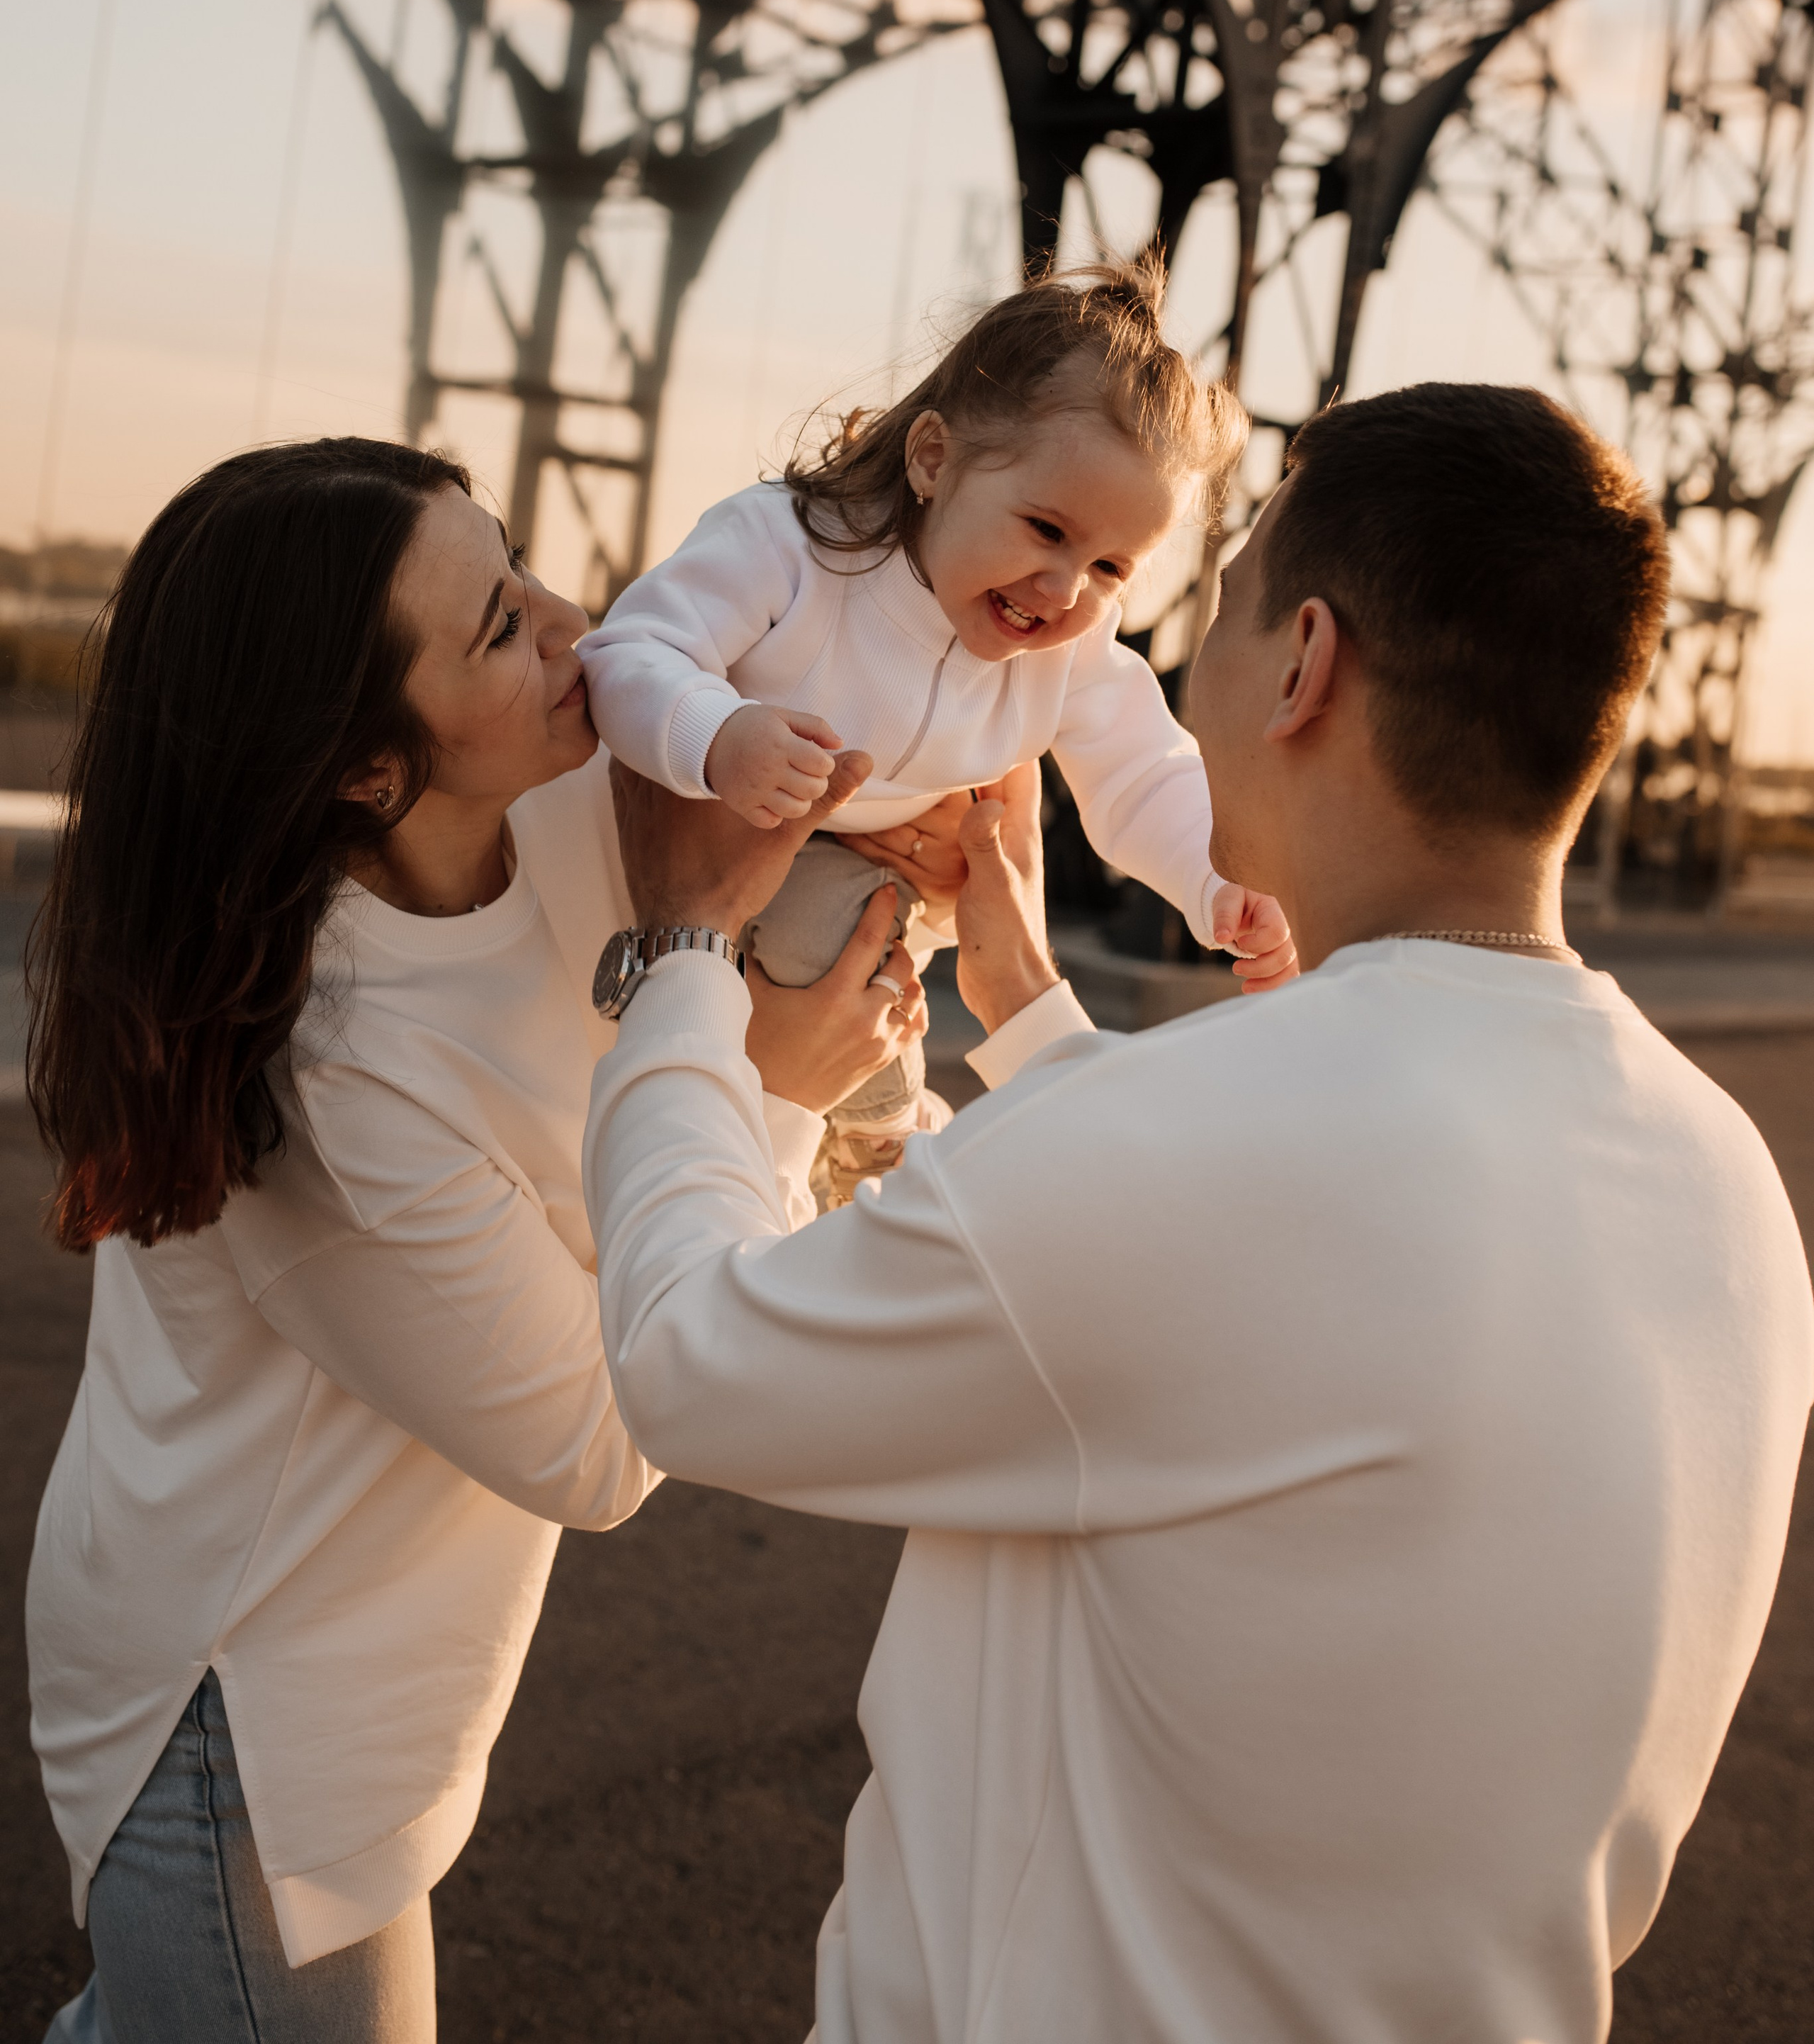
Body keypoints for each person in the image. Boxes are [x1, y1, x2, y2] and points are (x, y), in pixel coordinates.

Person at [583, 381, 1814, 2044]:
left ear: (1301, 664)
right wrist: (1020, 1001)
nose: (1149, 668)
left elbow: (685, 1357)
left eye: (1210, 614)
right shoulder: (1731, 1186)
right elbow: (1251, 1283)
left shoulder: (1174, 1149)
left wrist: (677, 955)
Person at [26, 437, 920, 2044]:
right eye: (499, 626)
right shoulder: (322, 1058)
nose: (579, 623)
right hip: (253, 1744)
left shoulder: (569, 792)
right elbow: (603, 1436)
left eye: (519, 571)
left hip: (347, 1694)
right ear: (369, 768)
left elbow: (875, 616)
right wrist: (766, 1084)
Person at [580, 269, 1294, 1201]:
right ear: (931, 459)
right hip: (707, 843)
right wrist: (717, 734)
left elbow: (1142, 772)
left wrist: (1220, 878)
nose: (1063, 589)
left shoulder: (1066, 653)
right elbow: (631, 651)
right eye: (1044, 528)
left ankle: (859, 1144)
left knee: (864, 966)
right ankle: (869, 1147)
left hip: (875, 899)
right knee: (831, 954)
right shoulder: (791, 548)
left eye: (1111, 567)